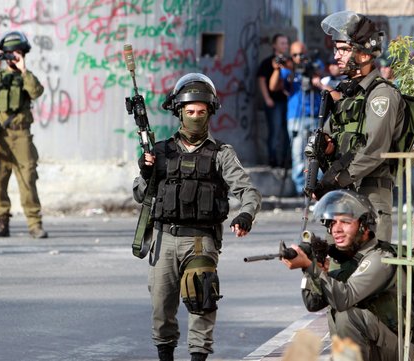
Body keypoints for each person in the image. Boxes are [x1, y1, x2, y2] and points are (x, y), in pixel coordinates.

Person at [133, 73, 262, 361]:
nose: (195, 117)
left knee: (201, 297)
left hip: (201, 241)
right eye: (189, 111)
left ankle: (198, 357)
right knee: (161, 307)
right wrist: (145, 173)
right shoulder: (161, 152)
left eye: (201, 112)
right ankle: (165, 355)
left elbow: (249, 192)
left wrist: (245, 215)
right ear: (179, 112)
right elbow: (141, 195)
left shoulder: (221, 154)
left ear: (210, 113)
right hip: (164, 239)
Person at [281, 189, 414, 360]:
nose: (336, 229)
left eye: (346, 222)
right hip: (370, 345)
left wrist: (310, 266)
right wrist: (311, 269)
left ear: (364, 225)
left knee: (346, 316)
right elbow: (313, 303)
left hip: (399, 350)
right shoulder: (349, 258)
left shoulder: (380, 259)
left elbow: (344, 298)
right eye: (332, 223)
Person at [314, 11, 405, 242]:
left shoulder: (381, 95)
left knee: (371, 268)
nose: (337, 55)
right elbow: (328, 136)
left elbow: (375, 148)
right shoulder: (346, 93)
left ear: (364, 54)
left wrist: (335, 179)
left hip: (371, 195)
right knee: (339, 270)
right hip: (345, 194)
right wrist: (323, 151)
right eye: (337, 49)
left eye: (344, 49)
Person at [0, 31, 48, 239]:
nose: (12, 57)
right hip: (0, 136)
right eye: (8, 53)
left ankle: (34, 224)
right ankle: (2, 223)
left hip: (22, 136)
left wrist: (23, 70)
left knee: (28, 179)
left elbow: (36, 92)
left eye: (16, 53)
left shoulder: (26, 76)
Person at [270, 41, 327, 196]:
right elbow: (273, 86)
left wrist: (310, 70)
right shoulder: (289, 69)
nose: (299, 58)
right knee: (298, 155)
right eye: (295, 55)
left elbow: (320, 73)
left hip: (316, 117)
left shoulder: (315, 63)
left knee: (318, 155)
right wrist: (278, 69)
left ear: (306, 53)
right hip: (296, 117)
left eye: (301, 54)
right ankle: (301, 190)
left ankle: (318, 189)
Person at [257, 34, 290, 168]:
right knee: (275, 131)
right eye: (282, 43)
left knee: (287, 133)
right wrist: (267, 98)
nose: (284, 46)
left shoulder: (289, 62)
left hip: (287, 102)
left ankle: (285, 161)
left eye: (286, 43)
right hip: (274, 102)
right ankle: (273, 161)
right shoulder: (267, 62)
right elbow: (261, 80)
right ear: (274, 45)